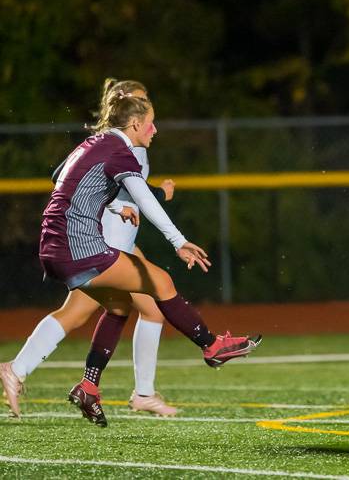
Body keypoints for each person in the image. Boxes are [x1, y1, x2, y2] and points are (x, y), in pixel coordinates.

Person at [0, 84, 261, 427]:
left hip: (56, 244)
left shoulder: (98, 142)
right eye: (151, 122)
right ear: (135, 123)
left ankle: (80, 385)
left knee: (121, 306)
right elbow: (146, 199)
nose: (155, 129)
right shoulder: (121, 151)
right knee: (161, 282)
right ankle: (211, 347)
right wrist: (178, 240)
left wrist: (111, 202)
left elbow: (66, 180)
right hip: (78, 245)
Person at [0, 79, 180, 417]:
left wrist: (120, 200)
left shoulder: (115, 141)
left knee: (80, 313)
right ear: (130, 109)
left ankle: (30, 372)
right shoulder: (127, 143)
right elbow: (122, 189)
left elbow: (70, 177)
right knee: (150, 306)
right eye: (141, 101)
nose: (148, 114)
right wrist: (144, 200)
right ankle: (141, 392)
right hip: (103, 241)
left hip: (112, 239)